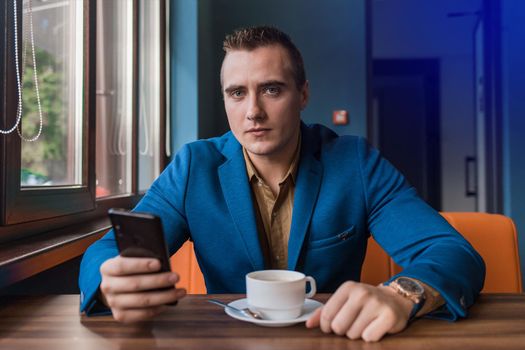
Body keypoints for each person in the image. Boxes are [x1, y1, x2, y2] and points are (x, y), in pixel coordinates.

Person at [79, 26, 485, 342]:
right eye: (237, 93)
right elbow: (110, 250)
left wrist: (402, 295)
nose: (253, 111)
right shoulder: (193, 168)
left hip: (333, 341)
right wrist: (111, 279)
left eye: (271, 89)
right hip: (226, 344)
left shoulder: (354, 163)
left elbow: (452, 253)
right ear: (225, 100)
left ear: (303, 94)